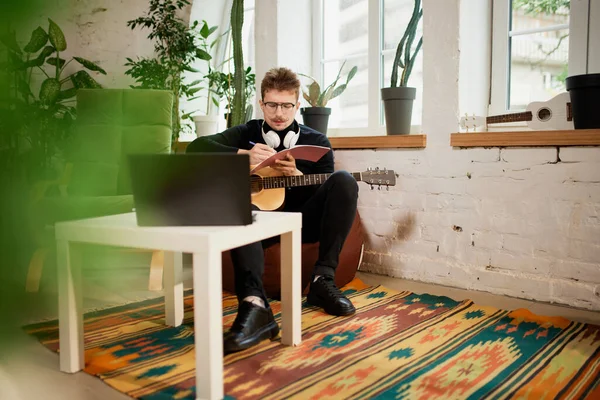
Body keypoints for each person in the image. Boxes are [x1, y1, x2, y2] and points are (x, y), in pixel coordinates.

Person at [186, 67, 359, 353]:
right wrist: (242, 155)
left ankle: (322, 281)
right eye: (272, 104)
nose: (279, 113)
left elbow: (330, 197)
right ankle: (254, 305)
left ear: (297, 105)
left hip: (304, 221)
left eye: (286, 105)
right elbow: (196, 149)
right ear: (261, 103)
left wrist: (298, 177)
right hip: (256, 224)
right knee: (236, 199)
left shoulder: (318, 142)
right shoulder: (246, 133)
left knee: (344, 180)